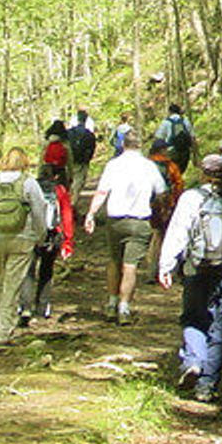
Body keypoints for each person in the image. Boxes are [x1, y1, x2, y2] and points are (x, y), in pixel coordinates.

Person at [157, 153, 222, 403]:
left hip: (196, 270)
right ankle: (207, 383)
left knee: (193, 317)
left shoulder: (191, 198)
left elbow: (178, 231)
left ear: (202, 174)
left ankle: (193, 361)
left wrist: (166, 265)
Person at [0, 146, 50, 346]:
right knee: (12, 285)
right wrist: (41, 236)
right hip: (22, 238)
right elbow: (40, 210)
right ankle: (4, 332)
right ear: (24, 163)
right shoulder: (29, 183)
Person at [84, 131, 170, 325]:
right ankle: (124, 307)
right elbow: (162, 192)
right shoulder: (149, 166)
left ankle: (111, 303)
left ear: (123, 145)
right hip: (139, 221)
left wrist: (91, 213)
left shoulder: (113, 165)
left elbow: (102, 191)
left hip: (115, 220)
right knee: (130, 266)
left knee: (114, 261)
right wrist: (162, 212)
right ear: (139, 146)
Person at [18, 161, 74, 327]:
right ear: (55, 176)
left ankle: (25, 307)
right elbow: (67, 215)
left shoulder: (28, 187)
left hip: (30, 233)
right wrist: (68, 240)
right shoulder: (59, 190)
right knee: (46, 271)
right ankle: (42, 308)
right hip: (52, 235)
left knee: (28, 270)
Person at [65, 110, 98, 198]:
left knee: (69, 180)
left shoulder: (69, 132)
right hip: (82, 161)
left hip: (70, 160)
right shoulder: (89, 134)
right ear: (86, 120)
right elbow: (92, 148)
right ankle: (72, 201)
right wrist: (88, 159)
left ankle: (68, 201)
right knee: (79, 181)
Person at [154, 102, 194, 171]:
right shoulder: (185, 121)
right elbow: (193, 138)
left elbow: (158, 138)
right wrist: (195, 155)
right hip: (185, 151)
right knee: (180, 172)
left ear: (170, 112)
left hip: (171, 151)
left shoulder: (166, 122)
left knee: (171, 173)